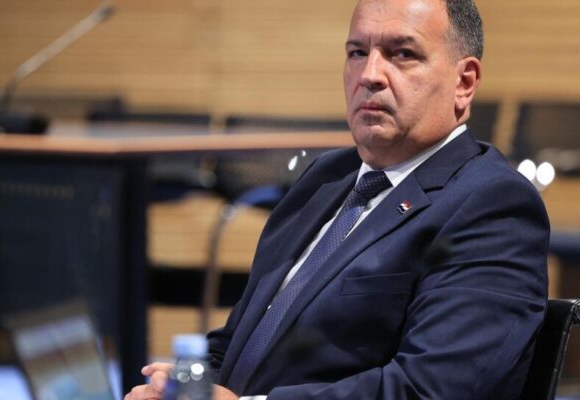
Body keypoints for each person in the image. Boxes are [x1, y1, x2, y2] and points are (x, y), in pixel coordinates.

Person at [126, 0, 549, 398]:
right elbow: (240, 341)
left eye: (402, 54)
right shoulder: (326, 177)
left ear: (464, 82)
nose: (370, 75)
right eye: (357, 53)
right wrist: (185, 384)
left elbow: (429, 388)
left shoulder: (492, 205)